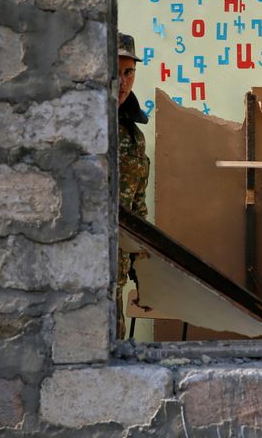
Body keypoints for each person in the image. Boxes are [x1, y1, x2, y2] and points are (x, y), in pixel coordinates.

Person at [116, 31, 149, 338]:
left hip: (117, 277)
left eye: (129, 73)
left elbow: (137, 210)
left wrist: (144, 273)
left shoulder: (133, 137)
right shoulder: (80, 127)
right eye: (114, 73)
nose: (122, 83)